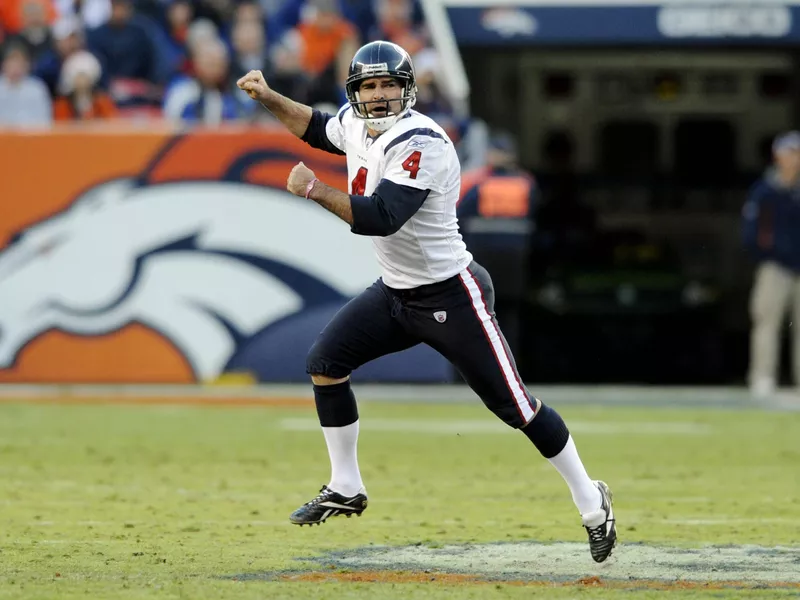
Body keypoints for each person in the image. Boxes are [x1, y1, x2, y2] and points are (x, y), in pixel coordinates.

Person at [236, 41, 617, 563]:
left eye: (388, 84)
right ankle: (346, 485)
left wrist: (314, 190)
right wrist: (268, 97)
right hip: (396, 290)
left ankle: (590, 498)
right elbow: (317, 125)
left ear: (408, 88)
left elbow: (381, 215)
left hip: (450, 294)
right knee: (325, 363)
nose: (378, 94)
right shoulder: (357, 121)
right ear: (356, 91)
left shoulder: (422, 141)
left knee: (517, 408)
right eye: (368, 85)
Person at [743, 130, 800, 399]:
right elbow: (751, 231)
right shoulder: (765, 190)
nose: (794, 159)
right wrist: (766, 254)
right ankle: (763, 377)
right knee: (767, 322)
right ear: (778, 155)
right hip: (775, 266)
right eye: (790, 152)